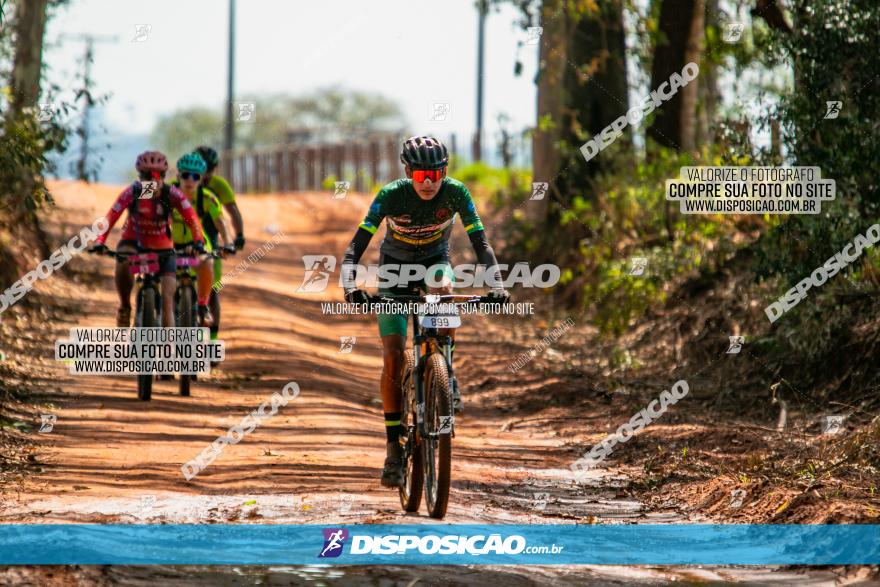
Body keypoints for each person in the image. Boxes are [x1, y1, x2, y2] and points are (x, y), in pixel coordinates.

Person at [341, 135, 509, 487]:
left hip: (435, 261)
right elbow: (357, 243)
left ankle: (446, 371)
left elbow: (480, 242)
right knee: (392, 356)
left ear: (445, 171)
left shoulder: (456, 192)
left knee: (444, 288)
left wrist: (497, 284)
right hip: (394, 267)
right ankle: (392, 448)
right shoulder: (391, 195)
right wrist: (350, 286)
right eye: (421, 176)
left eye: (436, 174)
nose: (430, 182)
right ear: (408, 172)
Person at [89, 151, 205, 328]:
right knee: (122, 260)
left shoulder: (171, 194)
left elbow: (191, 218)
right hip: (134, 243)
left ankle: (168, 350)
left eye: (157, 177)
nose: (152, 182)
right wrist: (100, 240)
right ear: (140, 177)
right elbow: (112, 215)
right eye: (147, 177)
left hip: (163, 248)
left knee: (168, 301)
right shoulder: (134, 192)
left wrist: (198, 241)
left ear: (164, 177)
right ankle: (125, 306)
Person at [169, 152, 236, 326]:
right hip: (170, 242)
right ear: (178, 176)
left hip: (198, 244)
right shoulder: (168, 194)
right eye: (185, 175)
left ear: (201, 179)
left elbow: (221, 222)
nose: (190, 180)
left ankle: (202, 306)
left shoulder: (207, 198)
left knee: (207, 263)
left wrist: (228, 243)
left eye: (195, 176)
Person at [194, 146, 244, 341]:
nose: (204, 175)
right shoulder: (180, 185)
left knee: (212, 289)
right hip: (183, 242)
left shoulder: (218, 186)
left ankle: (212, 339)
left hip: (211, 242)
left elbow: (232, 212)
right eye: (200, 169)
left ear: (214, 169)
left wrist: (238, 236)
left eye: (209, 170)